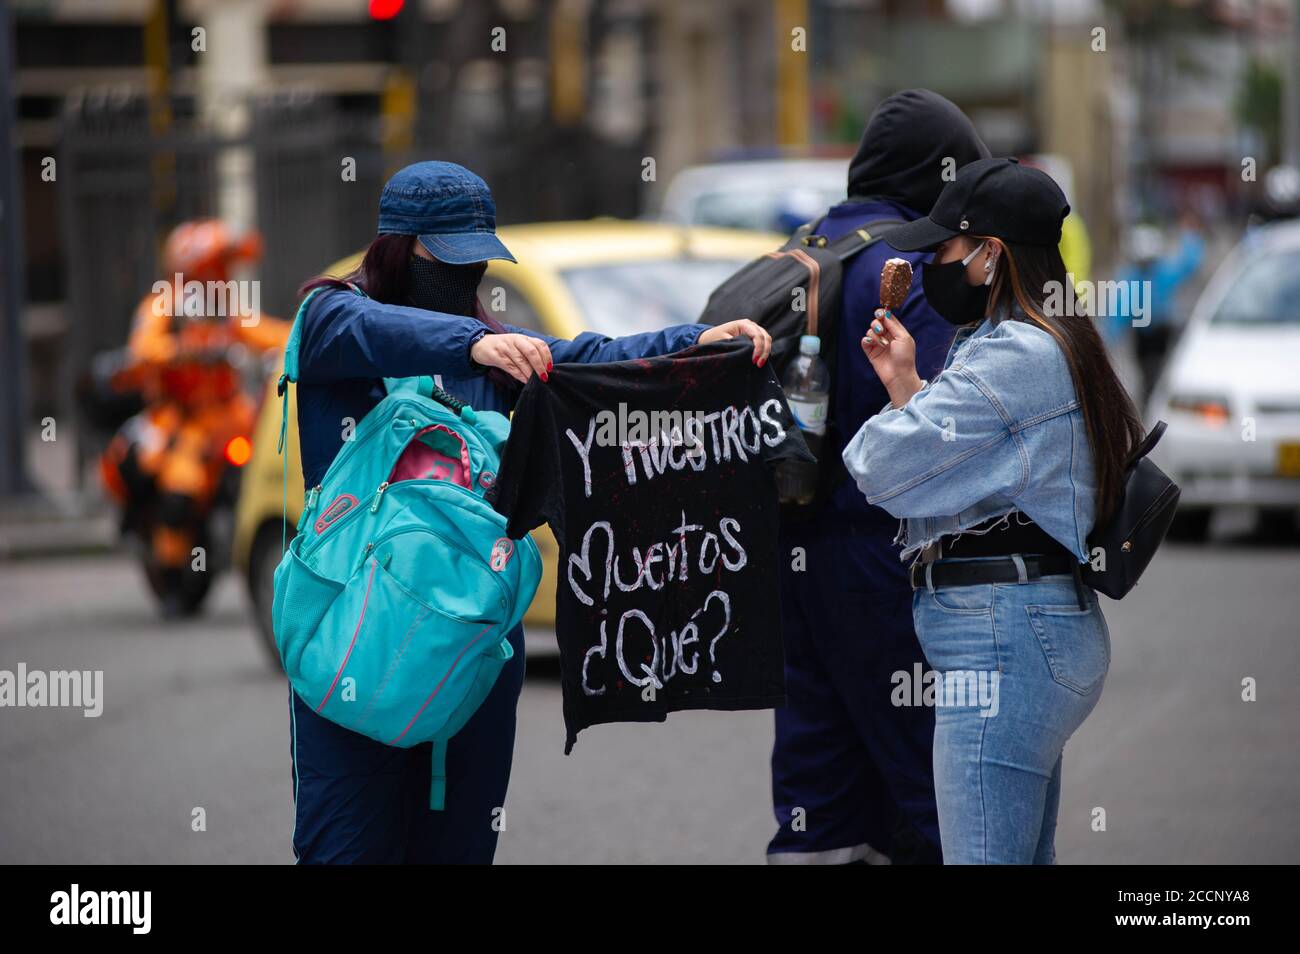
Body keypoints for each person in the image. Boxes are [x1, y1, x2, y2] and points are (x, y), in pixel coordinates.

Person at [287, 160, 770, 864]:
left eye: (478, 255)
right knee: (343, 854)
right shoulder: (333, 317)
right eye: (448, 257)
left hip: (475, 648)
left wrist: (688, 345)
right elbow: (361, 328)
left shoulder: (498, 352)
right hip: (353, 643)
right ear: (400, 247)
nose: (469, 271)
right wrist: (470, 341)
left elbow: (588, 359)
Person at [842, 157, 1143, 864]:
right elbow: (971, 480)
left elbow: (877, 465)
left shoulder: (1016, 354)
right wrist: (910, 386)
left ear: (990, 255)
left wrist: (900, 416)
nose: (927, 267)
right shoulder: (1041, 338)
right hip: (1024, 629)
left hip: (1004, 640)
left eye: (943, 250)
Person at [767, 89, 989, 865]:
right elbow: (943, 417)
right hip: (885, 558)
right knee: (933, 785)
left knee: (818, 783)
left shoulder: (802, 250)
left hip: (792, 551)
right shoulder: (911, 265)